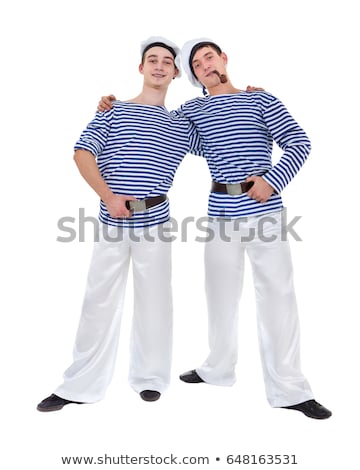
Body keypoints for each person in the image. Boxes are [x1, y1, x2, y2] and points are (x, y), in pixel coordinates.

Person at [98, 38, 332, 420]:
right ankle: (217, 370)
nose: (205, 64)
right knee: (219, 296)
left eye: (210, 56)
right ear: (191, 75)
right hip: (220, 213)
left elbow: (298, 142)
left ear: (224, 59)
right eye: (196, 63)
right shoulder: (192, 111)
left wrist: (272, 179)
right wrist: (113, 106)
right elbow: (168, 134)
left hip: (265, 211)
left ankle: (290, 389)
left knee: (277, 297)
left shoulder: (262, 100)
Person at [37, 36, 202, 412]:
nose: (159, 65)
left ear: (177, 73)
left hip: (156, 223)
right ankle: (79, 385)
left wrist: (245, 92)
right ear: (141, 68)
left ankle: (150, 378)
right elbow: (82, 154)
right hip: (112, 220)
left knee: (156, 302)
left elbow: (219, 131)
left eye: (166, 62)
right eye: (151, 59)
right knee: (98, 301)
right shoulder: (113, 110)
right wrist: (109, 197)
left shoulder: (181, 124)